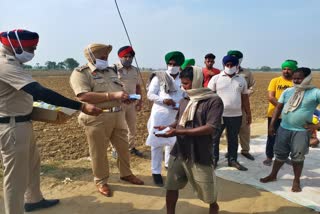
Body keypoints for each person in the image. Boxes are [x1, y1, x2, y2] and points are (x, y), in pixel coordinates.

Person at [0, 29, 102, 214]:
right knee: (16, 177)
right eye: (31, 48)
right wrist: (81, 106)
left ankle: (33, 200)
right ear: (18, 45)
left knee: (32, 165)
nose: (33, 52)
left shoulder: (12, 60)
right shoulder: (5, 63)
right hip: (12, 127)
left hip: (22, 122)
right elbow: (39, 91)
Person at [69, 43, 144, 197]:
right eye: (102, 57)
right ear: (91, 57)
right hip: (97, 117)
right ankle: (101, 181)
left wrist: (125, 97)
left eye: (106, 57)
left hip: (118, 114)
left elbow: (118, 90)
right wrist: (112, 96)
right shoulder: (81, 73)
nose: (105, 59)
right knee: (99, 151)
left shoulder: (110, 71)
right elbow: (82, 96)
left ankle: (126, 173)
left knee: (123, 148)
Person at [155, 66, 223, 214]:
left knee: (208, 194)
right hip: (179, 150)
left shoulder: (213, 101)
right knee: (171, 187)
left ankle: (214, 208)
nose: (183, 87)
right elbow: (180, 120)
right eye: (182, 83)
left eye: (186, 84)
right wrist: (167, 127)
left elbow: (210, 127)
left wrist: (178, 131)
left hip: (200, 152)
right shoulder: (186, 98)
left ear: (197, 81)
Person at [260, 67, 320, 192]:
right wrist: (272, 125)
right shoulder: (288, 92)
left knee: (297, 157)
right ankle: (273, 175)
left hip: (301, 132)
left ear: (307, 78)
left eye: (299, 78)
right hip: (283, 129)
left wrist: (316, 126)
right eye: (294, 78)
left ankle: (296, 180)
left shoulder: (315, 93)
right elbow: (278, 108)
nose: (296, 81)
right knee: (280, 154)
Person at [146, 51, 184, 186]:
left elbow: (185, 95)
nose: (172, 66)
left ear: (180, 65)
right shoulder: (160, 77)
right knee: (156, 144)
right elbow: (150, 95)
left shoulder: (183, 78)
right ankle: (156, 172)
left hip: (176, 114)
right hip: (160, 115)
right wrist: (164, 100)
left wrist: (178, 105)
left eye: (175, 64)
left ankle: (169, 165)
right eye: (170, 63)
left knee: (173, 142)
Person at [207, 55, 251, 171]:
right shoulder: (216, 78)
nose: (230, 67)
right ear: (224, 65)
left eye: (232, 65)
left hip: (236, 115)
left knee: (233, 139)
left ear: (237, 66)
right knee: (214, 139)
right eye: (227, 65)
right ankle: (214, 160)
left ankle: (232, 160)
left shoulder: (241, 80)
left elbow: (245, 98)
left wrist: (248, 113)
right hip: (218, 115)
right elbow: (209, 97)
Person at [263, 60, 296, 166]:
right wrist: (281, 107)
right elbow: (271, 97)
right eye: (284, 69)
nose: (286, 71)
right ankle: (269, 156)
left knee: (287, 138)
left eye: (289, 69)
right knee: (271, 135)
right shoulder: (275, 81)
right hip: (274, 114)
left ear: (294, 70)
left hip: (290, 115)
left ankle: (284, 156)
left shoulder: (296, 83)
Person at [114, 45, 143, 157]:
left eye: (130, 56)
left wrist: (140, 101)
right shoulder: (113, 69)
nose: (128, 59)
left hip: (131, 103)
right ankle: (116, 149)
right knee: (118, 127)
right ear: (120, 57)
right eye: (125, 56)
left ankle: (131, 147)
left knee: (132, 127)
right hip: (118, 103)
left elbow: (138, 87)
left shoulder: (135, 70)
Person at [227, 50, 256, 160]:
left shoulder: (247, 73)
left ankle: (245, 150)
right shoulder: (224, 72)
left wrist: (244, 94)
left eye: (237, 58)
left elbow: (252, 87)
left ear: (241, 60)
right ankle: (230, 151)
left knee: (244, 129)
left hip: (243, 106)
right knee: (230, 131)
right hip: (228, 107)